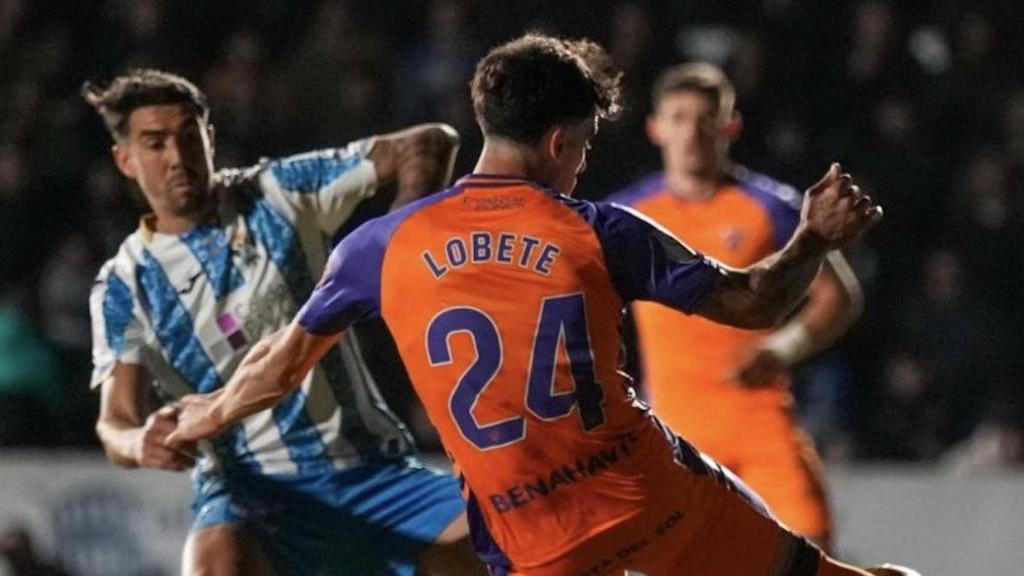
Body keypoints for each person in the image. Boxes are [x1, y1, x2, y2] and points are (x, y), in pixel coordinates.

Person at [166, 36, 917, 576]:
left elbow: (278, 367)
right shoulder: (599, 229)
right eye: (584, 146)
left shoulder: (379, 246)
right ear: (559, 142)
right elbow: (756, 302)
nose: (583, 164)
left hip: (532, 542)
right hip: (651, 497)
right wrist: (813, 239)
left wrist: (205, 416)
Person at [83, 69, 485, 576]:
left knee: (512, 542)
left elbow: (427, 143)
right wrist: (138, 441)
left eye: (188, 135)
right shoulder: (126, 283)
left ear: (210, 138)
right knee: (213, 568)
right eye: (155, 143)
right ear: (125, 160)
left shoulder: (275, 192)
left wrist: (395, 254)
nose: (177, 156)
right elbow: (114, 423)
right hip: (253, 493)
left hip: (373, 471)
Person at [608, 62, 864, 548]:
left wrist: (780, 350)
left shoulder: (771, 206)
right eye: (679, 117)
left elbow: (838, 297)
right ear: (656, 128)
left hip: (759, 421)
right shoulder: (626, 215)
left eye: (706, 118)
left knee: (812, 548)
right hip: (674, 431)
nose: (692, 132)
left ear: (730, 125)